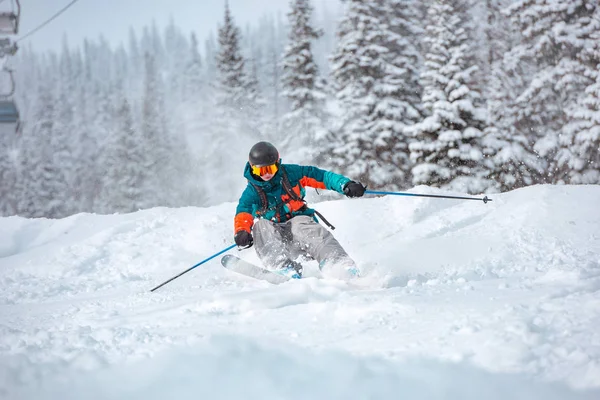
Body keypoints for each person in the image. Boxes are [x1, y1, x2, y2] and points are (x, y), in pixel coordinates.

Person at [233, 141, 366, 279]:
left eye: (270, 169)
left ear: (277, 163)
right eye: (260, 171)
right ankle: (282, 267)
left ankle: (337, 262)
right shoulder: (252, 192)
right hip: (275, 236)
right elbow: (244, 211)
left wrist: (345, 185)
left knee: (301, 224)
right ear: (252, 169)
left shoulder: (291, 173)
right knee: (261, 226)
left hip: (301, 230)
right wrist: (242, 231)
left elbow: (321, 176)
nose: (266, 175)